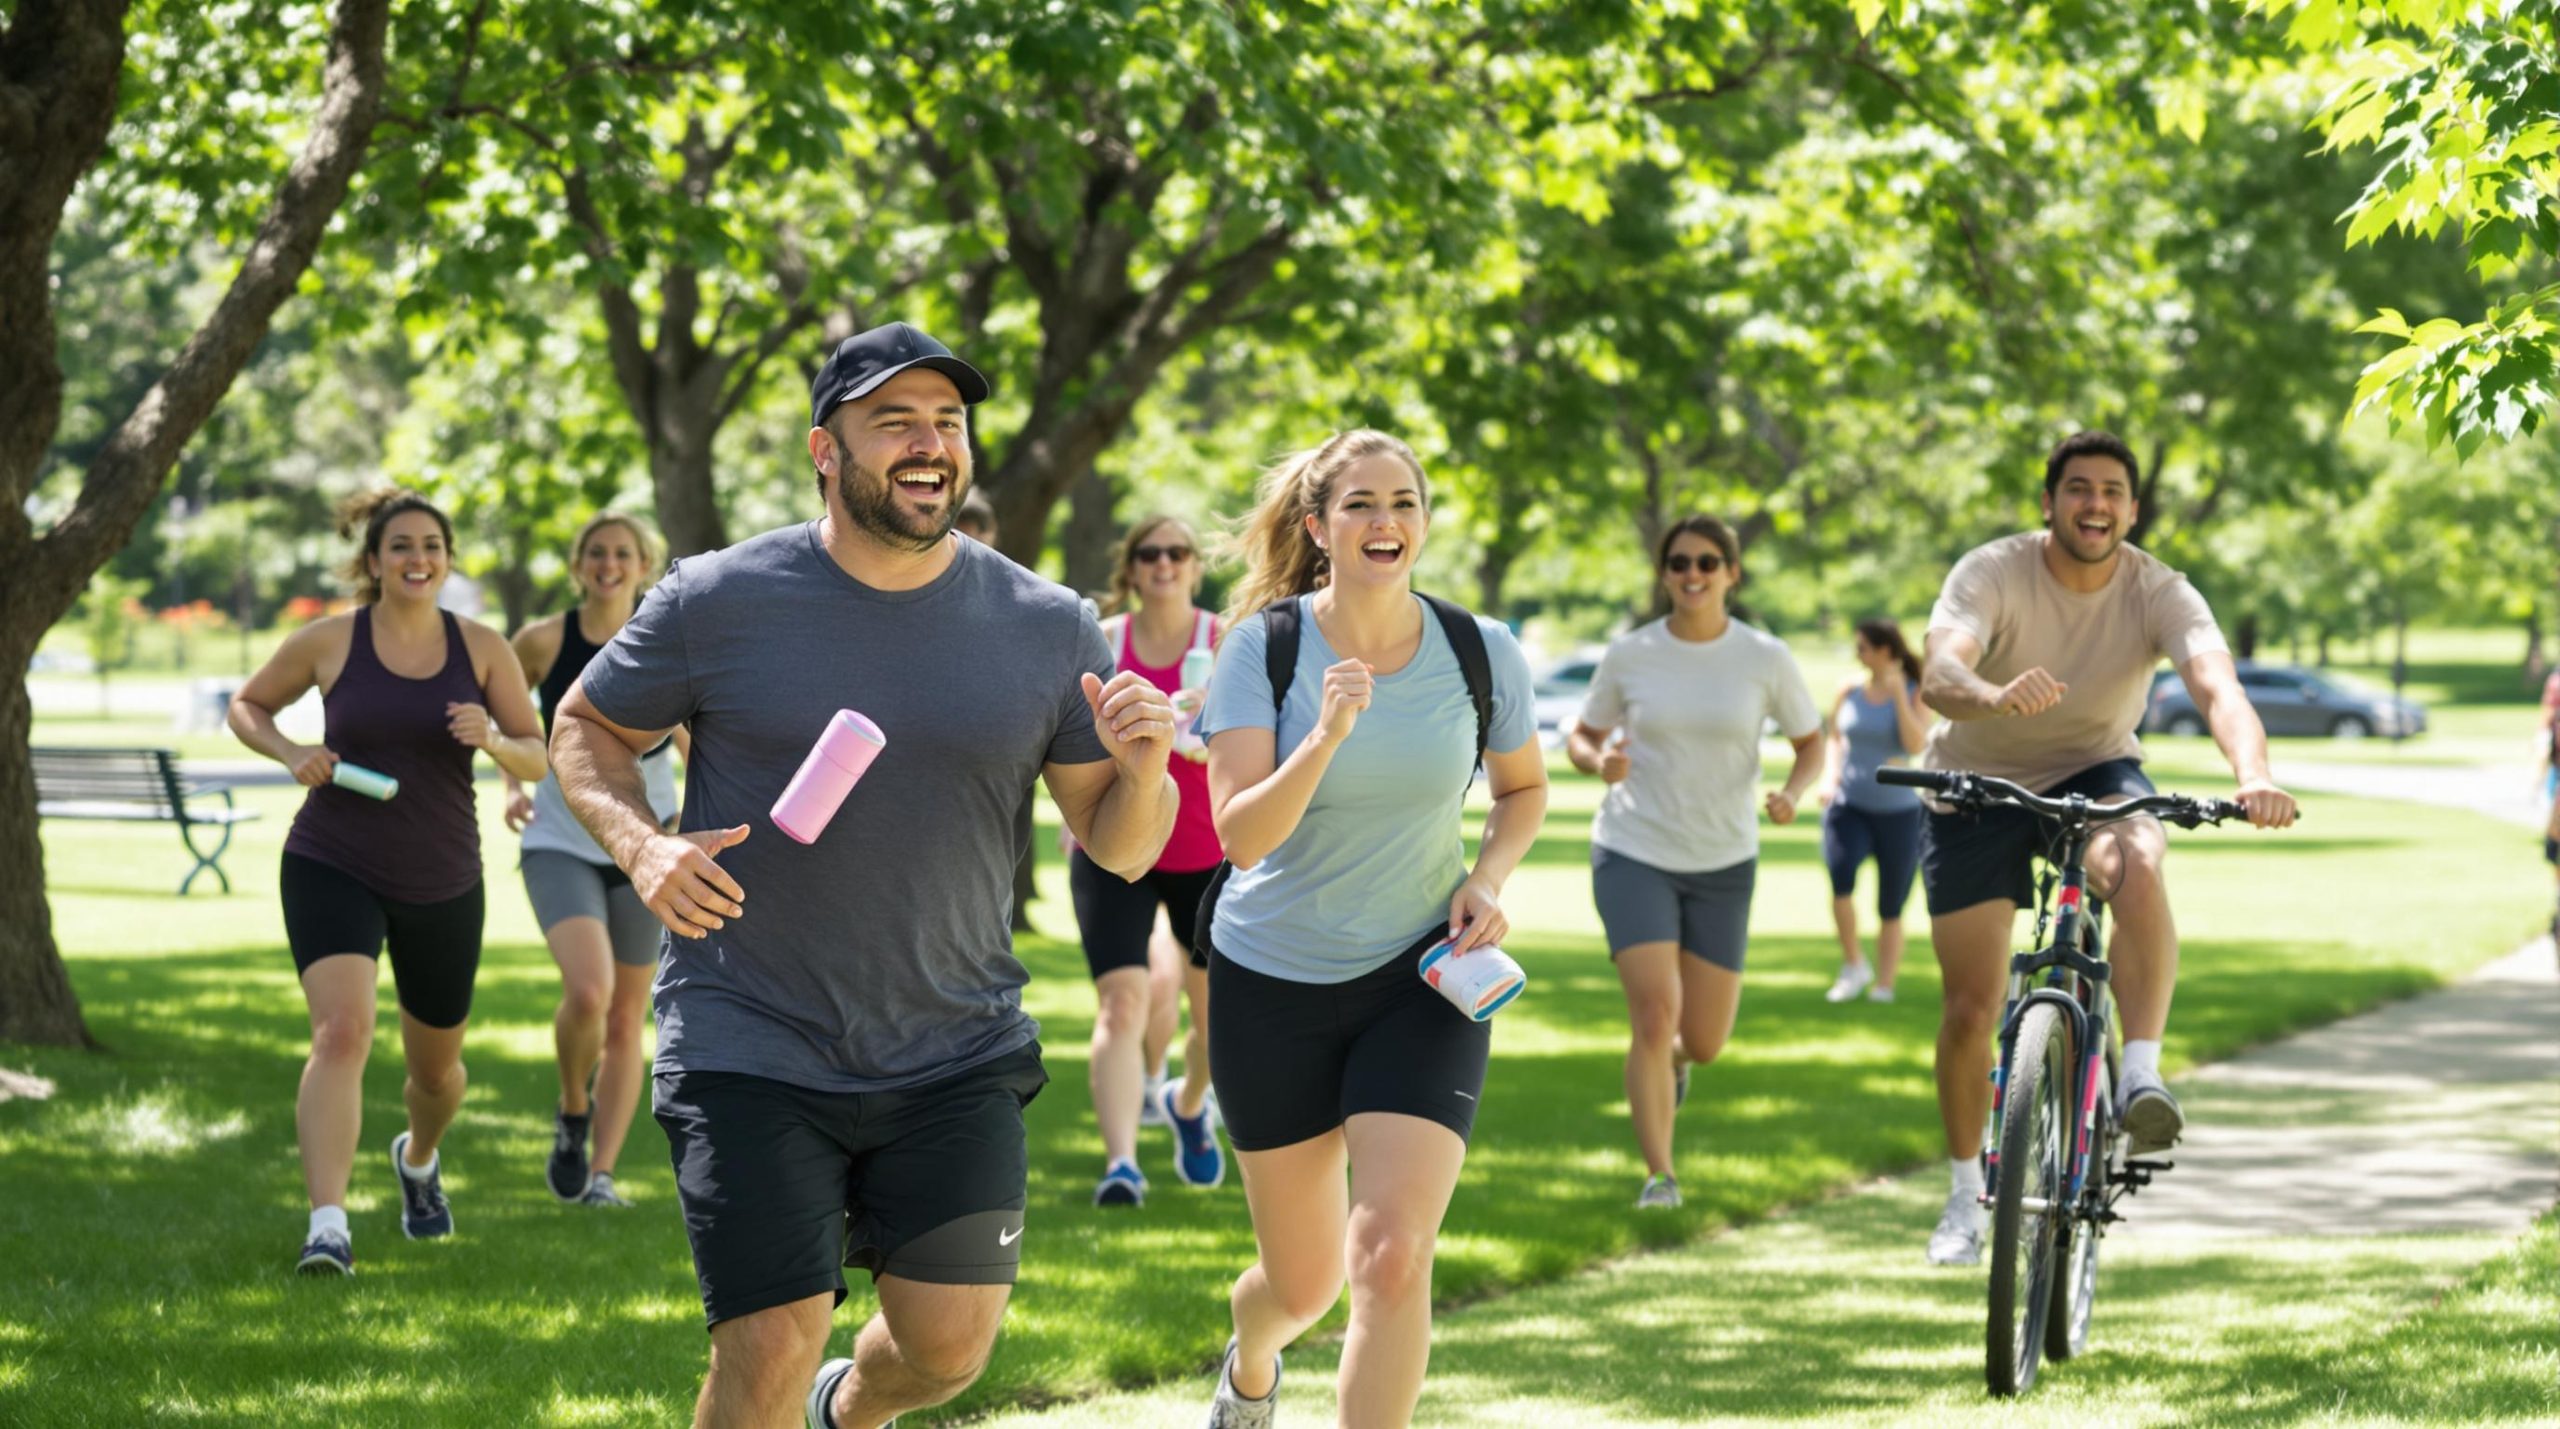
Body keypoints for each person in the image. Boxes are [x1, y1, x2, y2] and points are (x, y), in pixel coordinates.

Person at [548, 321, 1177, 1429]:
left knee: (946, 1350)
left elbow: (1120, 844)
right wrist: (641, 842)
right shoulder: (718, 596)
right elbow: (586, 721)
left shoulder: (1049, 624)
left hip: (955, 1045)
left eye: (948, 421)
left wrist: (1148, 773)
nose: (929, 443)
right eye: (894, 422)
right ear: (824, 450)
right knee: (772, 1337)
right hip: (751, 1030)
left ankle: (849, 1409)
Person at [1194, 429, 1547, 1429]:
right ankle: (1252, 1357)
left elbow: (1521, 790)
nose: (1384, 521)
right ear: (1317, 526)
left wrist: (1485, 876)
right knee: (1300, 1289)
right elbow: (1242, 837)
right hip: (1271, 986)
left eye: (1403, 502)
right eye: (1359, 504)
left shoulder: (1479, 650)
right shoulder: (1263, 648)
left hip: (1417, 981)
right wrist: (1324, 735)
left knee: (1389, 1255)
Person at [1914, 429, 2297, 1268]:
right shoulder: (1993, 571)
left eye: (2113, 491)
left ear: (2131, 505)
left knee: (2137, 858)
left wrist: (2253, 771)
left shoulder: (2159, 588)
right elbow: (1939, 672)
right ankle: (1960, 1197)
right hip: (1974, 780)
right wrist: (1991, 696)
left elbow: (2217, 685)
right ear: (2049, 501)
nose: (2096, 504)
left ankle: (2140, 1077)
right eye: (2079, 488)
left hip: (2093, 769)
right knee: (1971, 1009)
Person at [227, 488, 549, 1276]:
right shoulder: (331, 641)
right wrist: (289, 750)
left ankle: (419, 1156)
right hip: (332, 856)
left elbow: (540, 755)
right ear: (373, 562)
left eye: (431, 545)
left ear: (446, 558)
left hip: (441, 874)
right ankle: (328, 1226)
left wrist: (495, 741)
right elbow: (247, 705)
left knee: (435, 1073)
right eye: (400, 546)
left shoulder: (481, 648)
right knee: (341, 1033)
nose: (418, 558)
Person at [1565, 515, 1822, 1212]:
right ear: (1664, 572)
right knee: (1653, 1013)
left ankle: (1677, 1064)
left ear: (1731, 573)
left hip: (1724, 857)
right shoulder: (1631, 654)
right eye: (1679, 562)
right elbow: (1582, 736)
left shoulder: (1765, 657)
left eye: (1709, 562)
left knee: (1701, 1040)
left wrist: (1793, 793)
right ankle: (1660, 1175)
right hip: (1634, 847)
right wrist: (1600, 762)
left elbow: (1810, 742)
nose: (1693, 574)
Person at [503, 511, 688, 1208]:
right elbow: (509, 713)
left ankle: (601, 1175)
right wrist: (513, 783)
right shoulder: (544, 640)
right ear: (579, 564)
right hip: (560, 838)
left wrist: (695, 826)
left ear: (644, 565)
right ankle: (571, 1104)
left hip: (646, 845)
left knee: (625, 1015)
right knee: (588, 990)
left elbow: (701, 745)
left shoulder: (666, 641)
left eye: (624, 554)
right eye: (597, 553)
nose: (609, 564)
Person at [1071, 514, 1229, 1206]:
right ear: (1130, 568)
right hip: (1115, 849)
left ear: (1195, 565)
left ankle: (1189, 1101)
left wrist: (1208, 749)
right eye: (1149, 553)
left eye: (1177, 552)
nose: (1163, 563)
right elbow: (1074, 747)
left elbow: (1262, 744)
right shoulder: (1103, 643)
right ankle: (1121, 1166)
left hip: (1204, 848)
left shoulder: (1226, 643)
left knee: (1212, 1014)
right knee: (1121, 1000)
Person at [1812, 618, 1930, 1005]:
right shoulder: (1850, 690)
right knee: (1840, 878)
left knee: (1890, 904)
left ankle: (1885, 982)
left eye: (1863, 647)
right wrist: (1829, 779)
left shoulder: (1914, 690)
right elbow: (1834, 736)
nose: (1858, 654)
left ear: (1884, 650)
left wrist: (1898, 694)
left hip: (1898, 812)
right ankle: (1853, 964)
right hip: (1849, 805)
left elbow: (1915, 743)